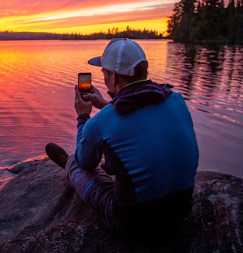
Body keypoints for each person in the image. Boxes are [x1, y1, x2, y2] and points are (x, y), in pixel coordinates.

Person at [45, 38, 199, 236]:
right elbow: (142, 117)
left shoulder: (102, 121)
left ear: (113, 76)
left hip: (133, 223)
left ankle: (67, 164)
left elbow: (87, 162)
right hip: (181, 210)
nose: (104, 78)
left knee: (78, 162)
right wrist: (106, 104)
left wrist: (83, 116)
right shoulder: (176, 99)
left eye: (104, 73)